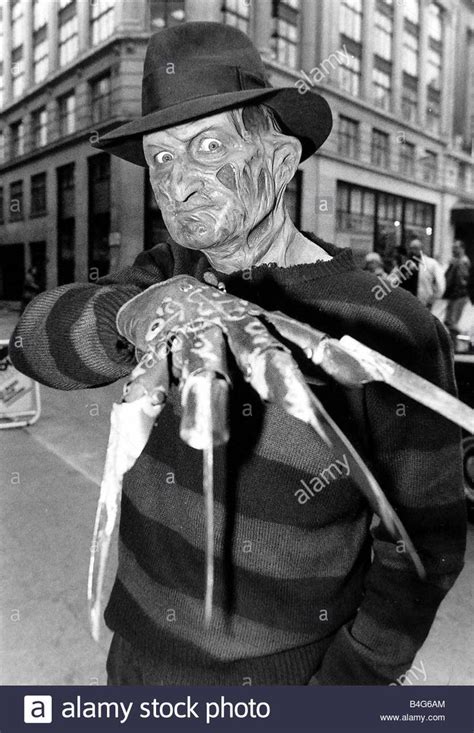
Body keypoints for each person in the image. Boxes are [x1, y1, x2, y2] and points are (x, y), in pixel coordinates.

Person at [9, 22, 466, 686]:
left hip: (288, 679)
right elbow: (31, 345)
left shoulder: (391, 324)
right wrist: (129, 314)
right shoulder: (161, 272)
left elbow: (425, 543)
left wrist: (344, 686)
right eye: (162, 159)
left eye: (208, 146)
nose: (179, 183)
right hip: (137, 665)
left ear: (280, 162)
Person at [400, 237, 445, 309]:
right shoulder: (406, 264)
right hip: (407, 301)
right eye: (411, 248)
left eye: (415, 248)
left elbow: (440, 282)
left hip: (424, 302)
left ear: (421, 249)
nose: (413, 251)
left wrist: (433, 298)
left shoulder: (431, 263)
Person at [444, 240, 471, 333]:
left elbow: (462, 281)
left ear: (462, 249)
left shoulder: (463, 262)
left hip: (459, 296)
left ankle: (459, 341)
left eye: (455, 248)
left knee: (452, 323)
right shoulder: (456, 261)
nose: (453, 250)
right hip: (454, 295)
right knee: (448, 321)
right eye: (453, 248)